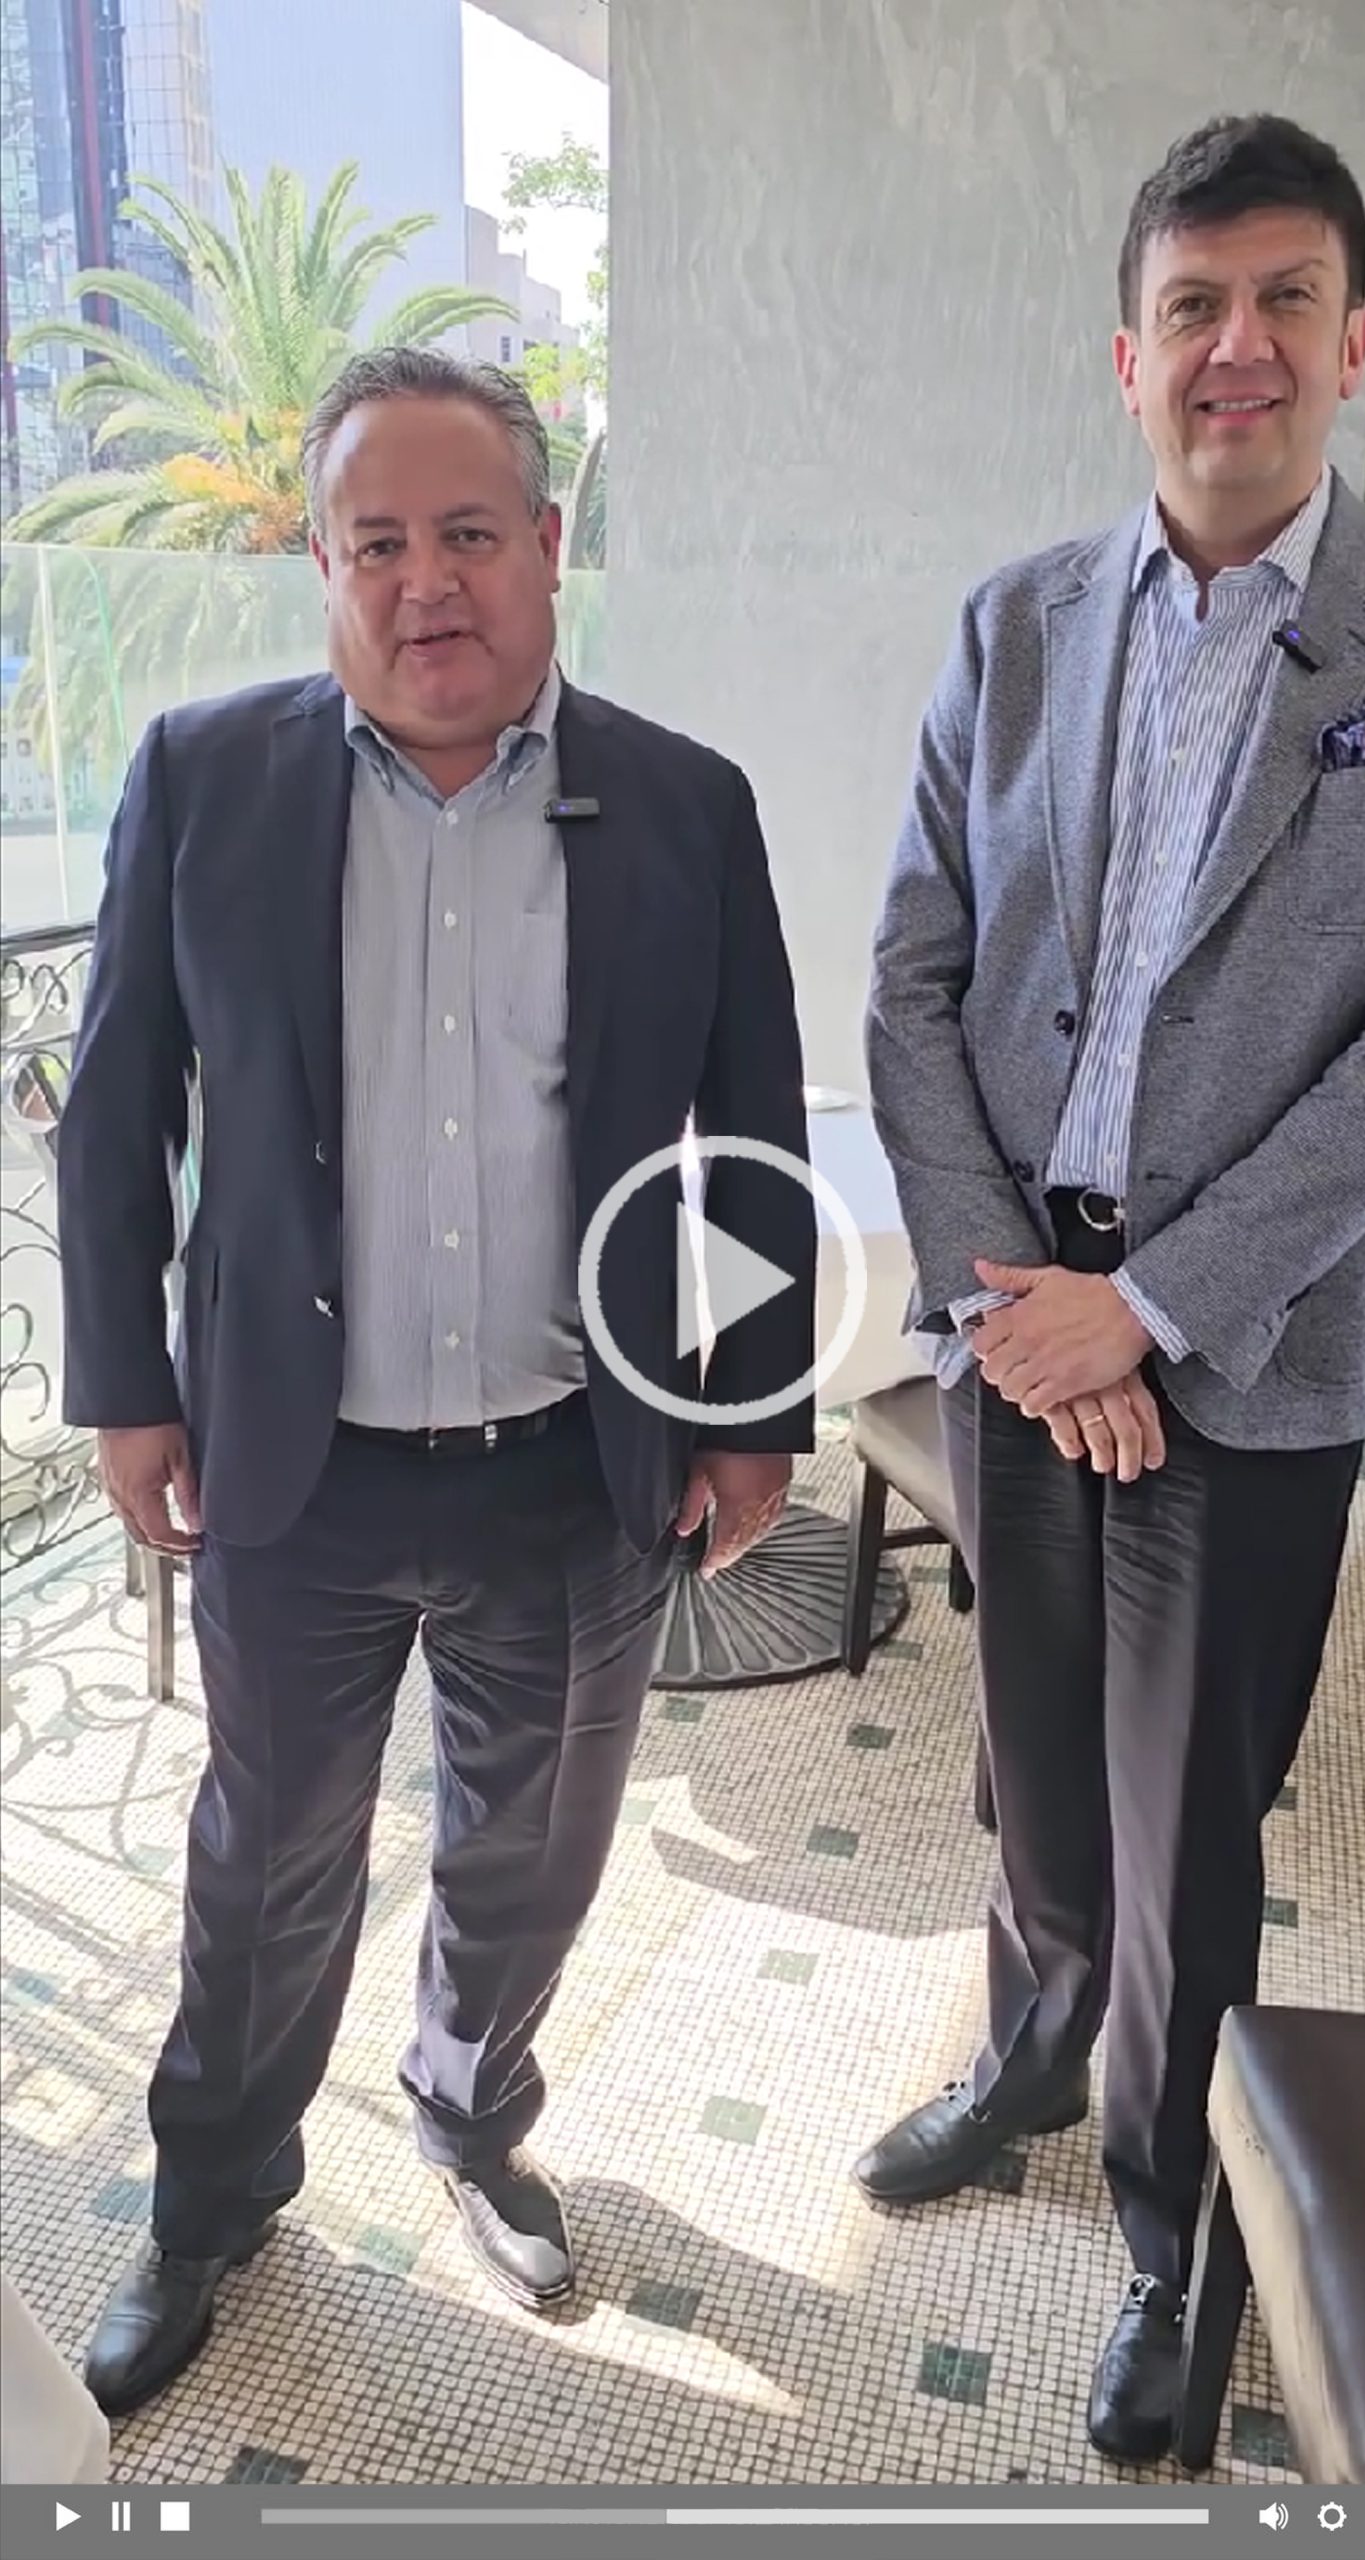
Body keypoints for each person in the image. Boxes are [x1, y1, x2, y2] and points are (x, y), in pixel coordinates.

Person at [59, 348, 816, 2418]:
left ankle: (473, 2110)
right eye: (375, 540)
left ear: (548, 546)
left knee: (530, 1849)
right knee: (267, 1857)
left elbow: (752, 1121)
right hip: (291, 1466)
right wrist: (126, 1381)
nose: (426, 582)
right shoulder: (205, 777)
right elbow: (116, 1108)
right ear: (320, 565)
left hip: (573, 1464)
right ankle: (214, 2193)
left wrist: (752, 1405)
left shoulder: (684, 802)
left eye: (469, 531)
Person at [859, 115, 1365, 2464]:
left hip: (1253, 1342)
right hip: (1015, 1305)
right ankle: (1024, 2049)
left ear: (1356, 338)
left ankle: (1165, 2227)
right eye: (1193, 307)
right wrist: (1019, 1297)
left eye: (1285, 299)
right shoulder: (1015, 624)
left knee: (1187, 1830)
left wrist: (1156, 1305)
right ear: (1130, 355)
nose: (1238, 349)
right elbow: (911, 976)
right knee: (1030, 1763)